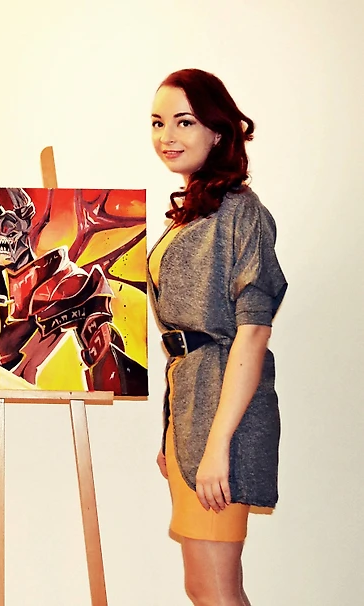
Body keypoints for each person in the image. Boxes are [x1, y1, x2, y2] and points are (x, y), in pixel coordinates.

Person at [147, 69, 287, 605]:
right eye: (158, 122)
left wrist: (216, 447)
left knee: (216, 592)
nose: (167, 136)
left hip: (221, 422)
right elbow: (183, 342)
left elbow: (252, 335)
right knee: (205, 588)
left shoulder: (241, 211)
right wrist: (172, 430)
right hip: (191, 413)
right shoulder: (192, 214)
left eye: (184, 122)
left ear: (218, 131)